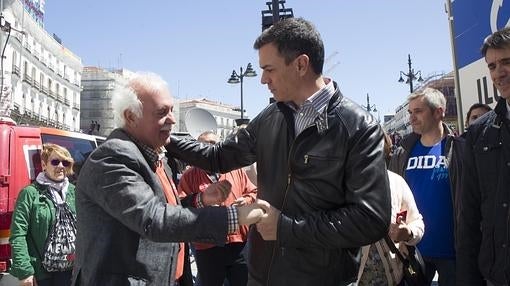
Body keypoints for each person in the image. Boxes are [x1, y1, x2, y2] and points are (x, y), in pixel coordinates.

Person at [167, 17, 391, 286]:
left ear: (301, 64)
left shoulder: (357, 127)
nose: (263, 80)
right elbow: (217, 157)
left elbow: (370, 220)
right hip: (262, 277)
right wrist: (164, 138)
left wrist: (286, 228)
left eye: (269, 69)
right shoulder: (270, 118)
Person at [72, 72, 263, 286]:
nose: (172, 119)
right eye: (162, 112)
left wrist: (200, 200)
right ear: (131, 116)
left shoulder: (153, 154)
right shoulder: (112, 158)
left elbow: (168, 207)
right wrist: (235, 217)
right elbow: (154, 219)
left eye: (172, 110)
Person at [388, 87, 463, 286]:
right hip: (413, 249)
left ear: (439, 112)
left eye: (418, 111)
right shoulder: (402, 152)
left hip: (452, 252)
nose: (412, 118)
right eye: (410, 112)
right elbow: (396, 198)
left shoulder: (459, 148)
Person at [456, 27, 510, 286]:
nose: (499, 72)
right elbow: (470, 214)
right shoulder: (479, 132)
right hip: (496, 274)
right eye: (492, 66)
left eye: (507, 62)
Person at [178, 131, 257, 286]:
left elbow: (253, 191)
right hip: (207, 246)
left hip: (238, 243)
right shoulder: (189, 176)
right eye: (204, 144)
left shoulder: (236, 170)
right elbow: (179, 206)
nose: (209, 147)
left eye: (213, 143)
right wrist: (203, 203)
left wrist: (245, 200)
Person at [356, 133, 425, 285]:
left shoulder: (396, 182)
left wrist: (408, 233)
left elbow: (417, 222)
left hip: (395, 278)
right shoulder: (341, 186)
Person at [10, 143, 77, 286]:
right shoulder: (30, 193)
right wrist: (25, 270)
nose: (60, 166)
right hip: (41, 273)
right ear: (44, 164)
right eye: (55, 161)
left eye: (64, 162)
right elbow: (18, 234)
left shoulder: (74, 192)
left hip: (70, 271)